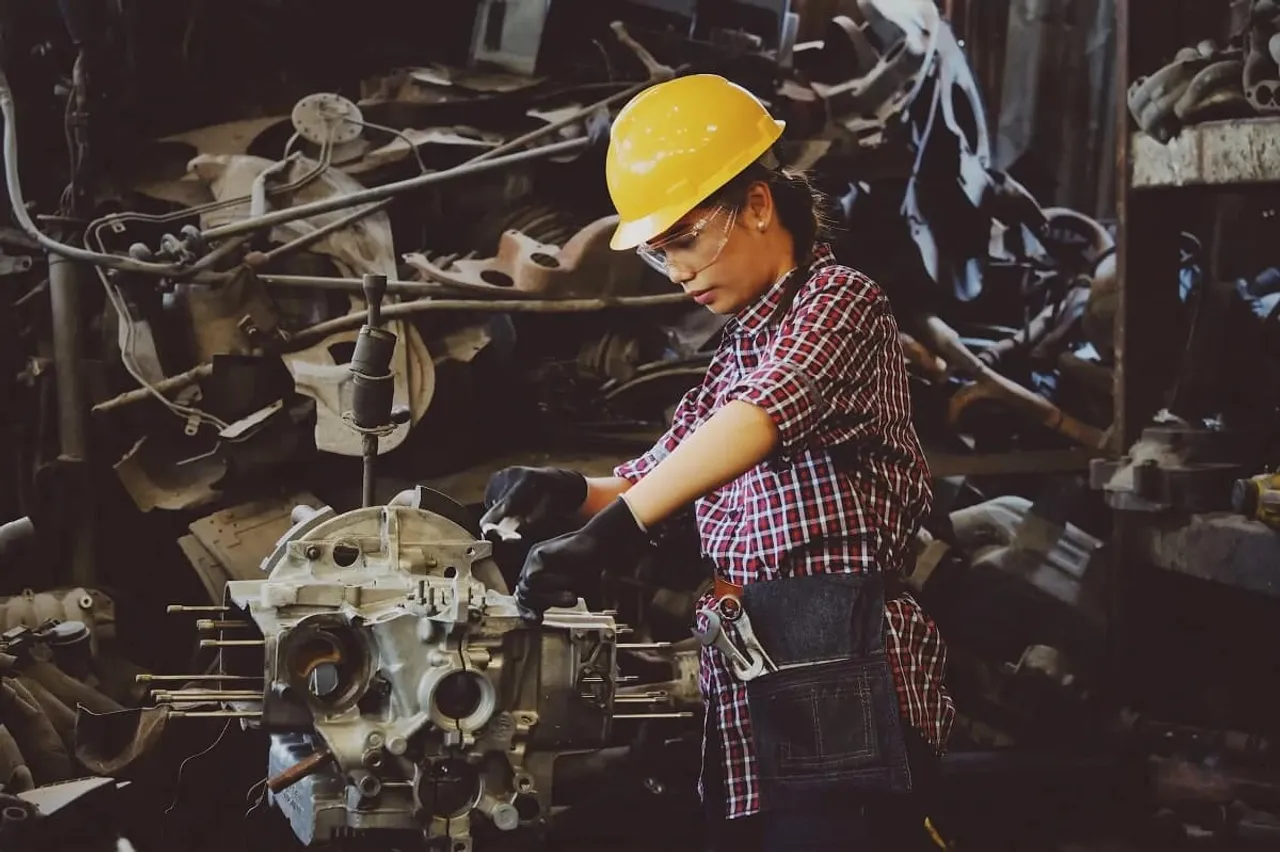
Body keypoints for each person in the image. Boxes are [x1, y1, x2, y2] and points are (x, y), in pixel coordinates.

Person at [480, 74, 955, 851]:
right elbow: (655, 475)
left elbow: (759, 420)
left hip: (842, 661)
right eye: (662, 253)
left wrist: (616, 533)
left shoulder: (840, 302)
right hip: (756, 664)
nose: (678, 272)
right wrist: (564, 493)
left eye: (688, 239)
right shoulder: (737, 352)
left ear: (759, 205)